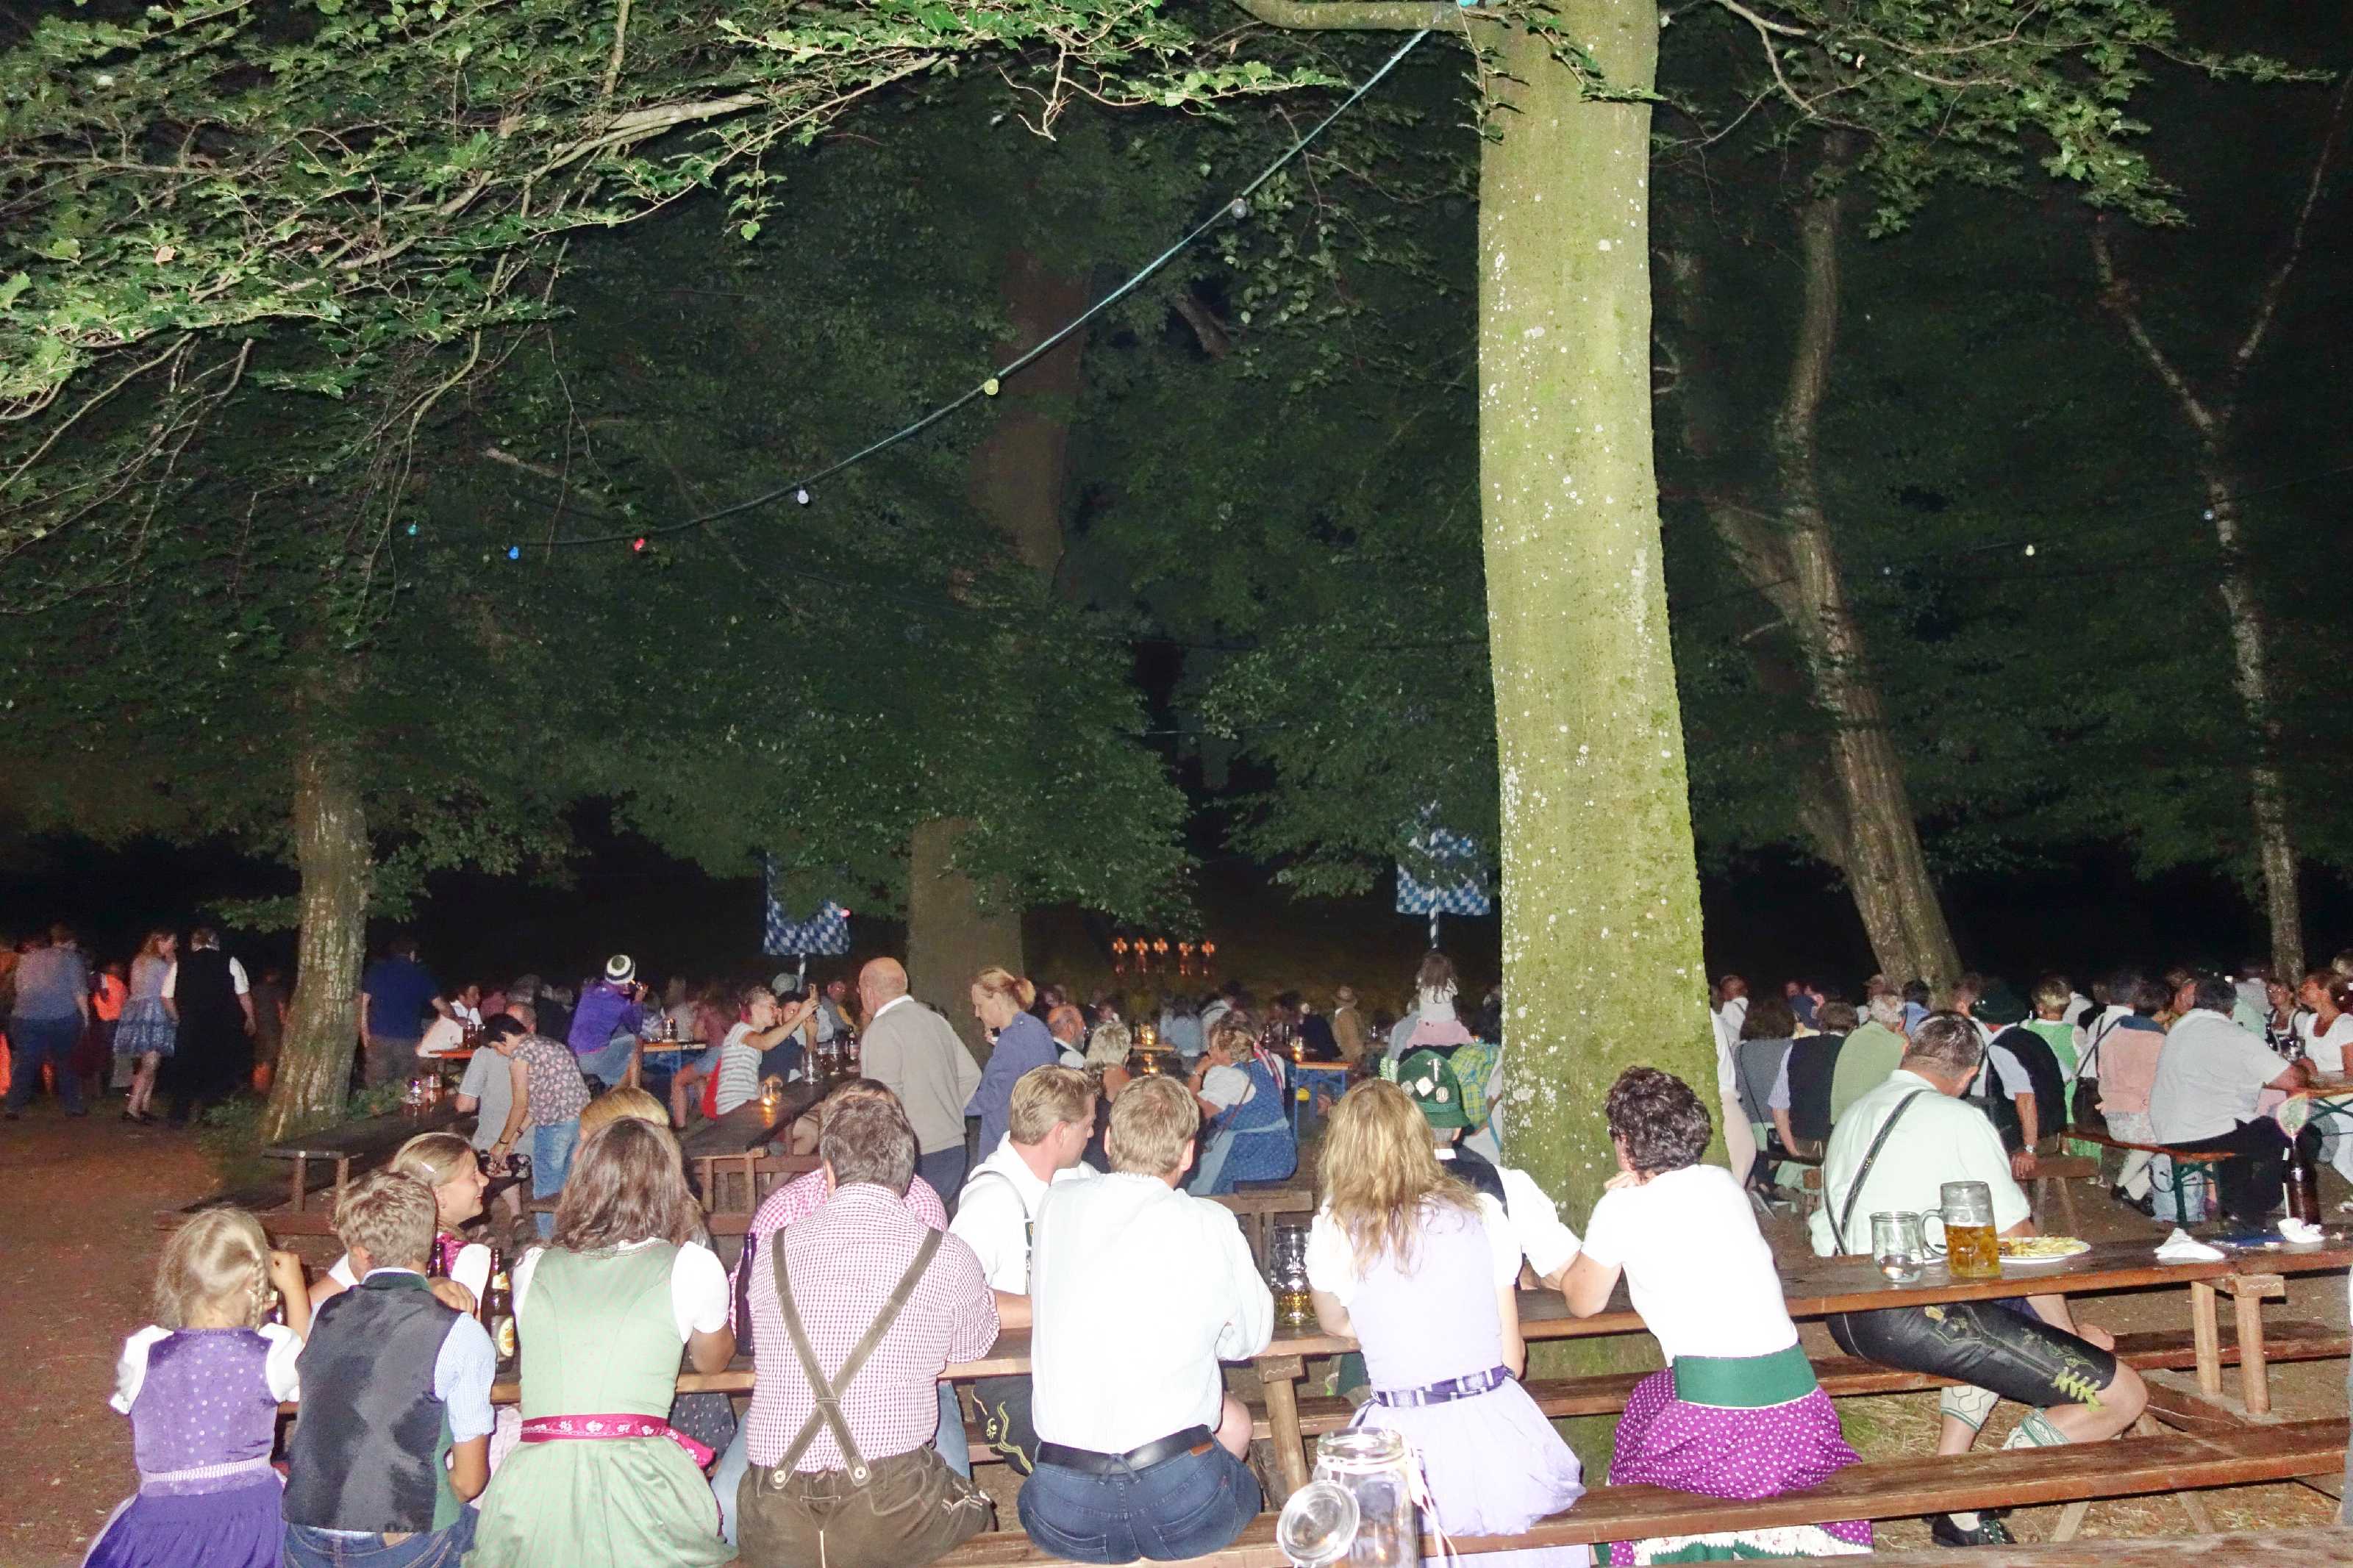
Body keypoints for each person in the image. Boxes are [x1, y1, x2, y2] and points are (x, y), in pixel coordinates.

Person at [1809, 1013, 2148, 1547]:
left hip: (1849, 1311)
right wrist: (2070, 1333)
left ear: (1908, 1054)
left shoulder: (1858, 1111)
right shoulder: (1958, 1119)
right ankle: (1972, 1498)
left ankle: (1947, 1483)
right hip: (1916, 1316)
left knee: (1996, 1324)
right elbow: (2019, 1240)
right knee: (2122, 1395)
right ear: (1968, 1075)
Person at [1564, 1067, 1867, 1561]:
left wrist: (1613, 1206)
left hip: (1716, 1422)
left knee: (1639, 1437)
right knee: (1650, 1399)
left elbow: (1584, 1301)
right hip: (1800, 1409)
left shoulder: (1620, 1209)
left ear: (1624, 1144)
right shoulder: (1725, 1183)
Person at [1307, 1081, 1586, 1567]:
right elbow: (1512, 1359)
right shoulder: (1482, 1211)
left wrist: (1385, 1327)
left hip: (1402, 1434)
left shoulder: (1336, 1226)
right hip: (1496, 1426)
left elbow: (1334, 1321)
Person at [735, 1095, 997, 1568]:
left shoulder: (772, 1249)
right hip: (890, 1507)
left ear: (828, 1171)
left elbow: (749, 1332)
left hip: (773, 1511)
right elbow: (971, 1347)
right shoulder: (946, 1253)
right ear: (907, 1175)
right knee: (980, 1516)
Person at [1019, 1076, 1271, 1564]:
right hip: (1177, 1496)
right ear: (1188, 1154)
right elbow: (1250, 1339)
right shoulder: (1210, 1222)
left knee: (1224, 1424)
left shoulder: (1056, 1205)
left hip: (1061, 1502)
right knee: (1233, 1438)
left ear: (1109, 1140)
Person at [468, 1120, 736, 1568]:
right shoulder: (691, 1265)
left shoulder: (533, 1265)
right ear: (670, 1184)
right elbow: (712, 1362)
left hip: (537, 1479)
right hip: (638, 1478)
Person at [282, 1172, 494, 1568]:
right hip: (399, 1538)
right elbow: (469, 1481)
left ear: (361, 1254)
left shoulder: (328, 1314)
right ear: (429, 1239)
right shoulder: (459, 1331)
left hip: (305, 1533)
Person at [88, 1209, 310, 1568]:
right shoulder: (270, 1352)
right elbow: (304, 1370)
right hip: (251, 1522)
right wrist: (295, 1290)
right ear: (256, 1285)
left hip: (162, 1523)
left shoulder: (144, 1352)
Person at [953, 1065, 1099, 1473]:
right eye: (1088, 1124)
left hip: (1085, 1362)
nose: (1093, 1133)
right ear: (1061, 1133)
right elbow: (955, 1300)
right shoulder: (991, 1199)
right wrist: (1058, 1308)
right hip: (1014, 1378)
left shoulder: (1082, 1178)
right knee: (1079, 1462)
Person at [1396, 1049, 1580, 1286]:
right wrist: (1527, 1276)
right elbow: (1572, 1277)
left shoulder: (1365, 1189)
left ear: (1394, 1127)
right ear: (1457, 1130)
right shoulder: (1508, 1185)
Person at [2150, 973, 2314, 1226]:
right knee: (2302, 1139)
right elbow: (2292, 1080)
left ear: (2197, 1001)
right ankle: (2249, 1205)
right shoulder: (2234, 1035)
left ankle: (2236, 1208)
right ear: (2231, 1007)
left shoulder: (2179, 1030)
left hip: (2170, 1129)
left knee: (2243, 1130)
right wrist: (2304, 1066)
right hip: (2207, 1129)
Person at [308, 1131, 492, 1311]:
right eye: (473, 1175)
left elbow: (308, 1307)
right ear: (438, 1194)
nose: (485, 1181)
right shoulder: (468, 1258)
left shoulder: (379, 1243)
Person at [856, 957, 982, 1204]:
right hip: (955, 1151)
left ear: (869, 992)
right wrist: (945, 1112)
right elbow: (971, 1075)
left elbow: (880, 1102)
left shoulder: (882, 1028)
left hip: (913, 1158)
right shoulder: (937, 1020)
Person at [479, 1014, 593, 1236]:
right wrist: (515, 1137)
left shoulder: (521, 1055)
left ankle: (547, 1241)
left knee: (546, 1189)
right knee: (568, 1186)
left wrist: (501, 1143)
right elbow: (538, 1101)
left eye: (496, 1047)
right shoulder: (549, 1044)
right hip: (582, 1122)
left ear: (504, 1036)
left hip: (555, 1126)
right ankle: (568, 1237)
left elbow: (520, 1105)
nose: (499, 1053)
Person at [671, 984, 818, 1127]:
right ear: (755, 1008)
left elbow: (746, 1083)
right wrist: (800, 1016)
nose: (776, 1011)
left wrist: (766, 1085)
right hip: (734, 1111)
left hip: (746, 1106)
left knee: (804, 1118)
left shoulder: (755, 1040)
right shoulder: (741, 1030)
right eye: (772, 1007)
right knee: (799, 1124)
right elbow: (766, 1043)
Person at [1187, 1019, 1296, 1196]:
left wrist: (1197, 1072)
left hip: (1255, 1155)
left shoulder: (1231, 1077)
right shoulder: (1257, 1066)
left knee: (1192, 1176)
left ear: (1225, 1051)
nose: (1209, 1052)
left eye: (1213, 1047)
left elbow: (1192, 1114)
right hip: (1279, 1151)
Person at [163, 926, 255, 1125]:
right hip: (220, 1023)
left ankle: (178, 1115)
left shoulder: (181, 964)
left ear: (194, 943)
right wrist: (250, 1018)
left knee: (186, 1068)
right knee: (218, 1069)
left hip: (190, 1023)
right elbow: (243, 994)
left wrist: (177, 1018)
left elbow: (166, 996)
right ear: (215, 942)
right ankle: (211, 1116)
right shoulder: (230, 961)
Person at [966, 967, 1059, 1157]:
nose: (976, 1013)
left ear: (997, 999)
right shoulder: (1033, 1026)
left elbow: (994, 1096)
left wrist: (950, 1105)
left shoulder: (1013, 1039)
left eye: (980, 1005)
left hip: (1011, 1148)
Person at [6, 922, 89, 1117]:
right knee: (66, 1062)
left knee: (26, 1062)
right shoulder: (71, 958)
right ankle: (73, 1106)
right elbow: (79, 991)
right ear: (70, 942)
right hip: (61, 1016)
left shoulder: (27, 958)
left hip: (25, 1017)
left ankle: (13, 1106)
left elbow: (19, 987)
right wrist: (86, 1017)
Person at [357, 934, 450, 1089]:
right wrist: (456, 1016)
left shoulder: (376, 971)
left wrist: (364, 1031)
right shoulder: (420, 975)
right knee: (407, 1086)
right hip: (408, 1040)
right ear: (412, 953)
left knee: (377, 1086)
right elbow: (442, 1007)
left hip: (379, 1037)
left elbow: (362, 1003)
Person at [118, 933, 179, 1124]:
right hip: (154, 1013)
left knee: (150, 1061)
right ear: (160, 941)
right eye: (172, 942)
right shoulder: (160, 965)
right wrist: (172, 961)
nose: (175, 946)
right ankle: (133, 1108)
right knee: (151, 1062)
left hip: (136, 1011)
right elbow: (169, 989)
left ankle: (144, 1107)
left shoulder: (139, 960)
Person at [568, 954, 649, 1087]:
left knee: (621, 1070)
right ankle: (635, 1090)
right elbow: (636, 1029)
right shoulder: (620, 1004)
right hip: (593, 1057)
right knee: (637, 1041)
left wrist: (623, 989)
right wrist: (638, 1000)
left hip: (573, 1056)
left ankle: (612, 1089)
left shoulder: (589, 992)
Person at [1827, 993, 1908, 1126]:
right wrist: (1909, 1043)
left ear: (1869, 1014)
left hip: (1842, 1121)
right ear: (1902, 1021)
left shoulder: (1853, 1037)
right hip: (1871, 1124)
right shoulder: (1899, 1045)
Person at [2295, 972, 2353, 1075]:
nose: (2301, 991)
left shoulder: (2346, 1024)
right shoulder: (2311, 1020)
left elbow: (2351, 1072)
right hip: (2315, 1082)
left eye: (2307, 987)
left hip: (2340, 1084)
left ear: (2325, 993)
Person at [249, 965, 289, 1094]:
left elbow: (251, 1006)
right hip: (272, 1027)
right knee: (270, 1057)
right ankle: (264, 1089)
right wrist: (285, 1024)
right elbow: (281, 1008)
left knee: (260, 1058)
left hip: (259, 1027)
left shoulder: (255, 989)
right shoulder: (278, 989)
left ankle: (258, 1089)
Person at [1329, 986, 1367, 1064]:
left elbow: (1352, 1039)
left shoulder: (1344, 1016)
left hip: (1347, 1057)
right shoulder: (1352, 1013)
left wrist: (1353, 1059)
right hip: (1349, 1056)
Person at [1048, 1004, 1090, 1068]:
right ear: (1071, 1028)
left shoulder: (1043, 1049)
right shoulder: (1074, 1059)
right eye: (1082, 1025)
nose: (1084, 1032)